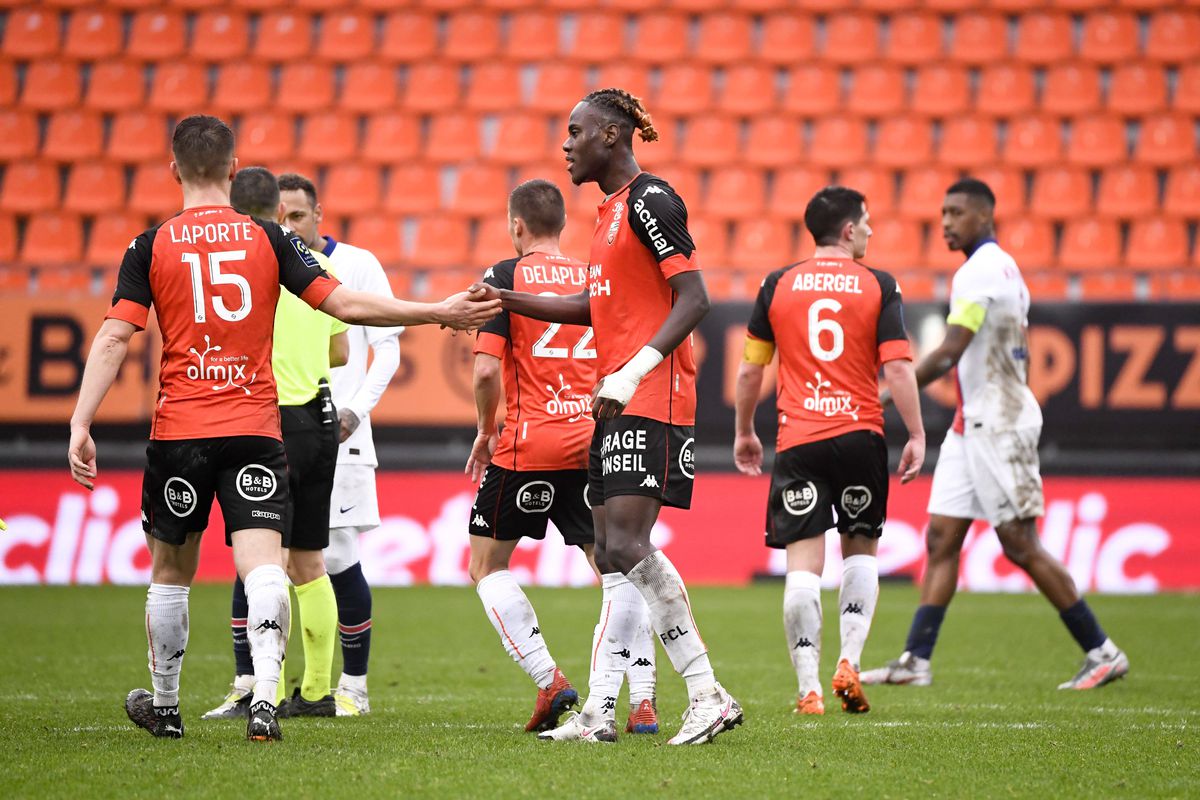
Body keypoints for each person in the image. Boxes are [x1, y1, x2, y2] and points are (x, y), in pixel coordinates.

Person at [67, 114, 498, 742]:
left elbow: (114, 337)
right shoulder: (270, 240)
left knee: (171, 571)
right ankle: (266, 702)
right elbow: (345, 305)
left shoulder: (149, 245)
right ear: (235, 169)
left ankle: (164, 708)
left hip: (181, 428)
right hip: (254, 425)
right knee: (266, 565)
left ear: (173, 170)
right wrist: (437, 310)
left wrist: (82, 421)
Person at [473, 88, 742, 745]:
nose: (565, 143)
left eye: (576, 131)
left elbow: (696, 297)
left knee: (622, 547)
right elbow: (593, 309)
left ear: (613, 136)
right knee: (616, 561)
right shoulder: (607, 216)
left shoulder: (652, 201)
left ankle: (707, 692)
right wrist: (503, 297)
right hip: (614, 400)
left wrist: (633, 368)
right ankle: (599, 710)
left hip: (650, 397)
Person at [861, 178, 1129, 690]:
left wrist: (887, 393)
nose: (945, 222)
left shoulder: (980, 270)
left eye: (956, 212)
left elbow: (950, 350)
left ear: (984, 217)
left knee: (1019, 544)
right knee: (942, 538)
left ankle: (1102, 649)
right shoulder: (995, 267)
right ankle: (916, 660)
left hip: (1000, 421)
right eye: (942, 212)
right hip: (971, 425)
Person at [466, 178, 659, 736]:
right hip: (595, 441)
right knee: (622, 572)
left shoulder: (503, 279)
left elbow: (483, 371)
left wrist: (485, 430)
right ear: (562, 226)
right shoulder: (593, 278)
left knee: (486, 565)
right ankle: (643, 701)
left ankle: (550, 679)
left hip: (530, 445)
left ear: (516, 226)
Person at [733, 187, 925, 716]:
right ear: (846, 230)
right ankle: (851, 661)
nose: (870, 231)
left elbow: (752, 368)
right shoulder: (880, 285)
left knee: (802, 568)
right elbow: (899, 368)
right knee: (861, 550)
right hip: (861, 434)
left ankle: (808, 690)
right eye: (865, 223)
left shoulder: (777, 284)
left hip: (800, 439)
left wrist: (745, 430)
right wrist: (915, 433)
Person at [202, 167, 348, 721]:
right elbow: (340, 354)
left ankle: (260, 688)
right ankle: (315, 693)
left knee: (264, 564)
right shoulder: (319, 264)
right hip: (319, 416)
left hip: (266, 419)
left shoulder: (244, 265)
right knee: (309, 561)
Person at [274, 172, 403, 717]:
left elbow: (386, 349)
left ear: (318, 214)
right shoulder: (263, 261)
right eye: (279, 216)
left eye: (297, 216)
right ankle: (262, 685)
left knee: (338, 556)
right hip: (280, 430)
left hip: (341, 433)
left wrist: (356, 410)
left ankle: (352, 686)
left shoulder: (355, 264)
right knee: (271, 559)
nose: (288, 226)